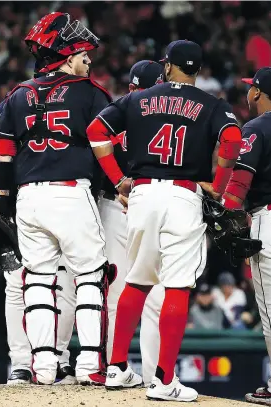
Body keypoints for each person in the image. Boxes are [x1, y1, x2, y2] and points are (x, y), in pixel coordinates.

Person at [87, 40, 242, 400]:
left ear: (168, 67)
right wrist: (218, 186)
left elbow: (97, 131)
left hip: (141, 194)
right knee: (176, 287)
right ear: (197, 70)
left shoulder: (138, 98)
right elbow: (233, 141)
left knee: (137, 280)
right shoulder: (211, 103)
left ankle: (116, 368)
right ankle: (163, 380)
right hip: (183, 195)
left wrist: (117, 178)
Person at [0, 12, 116, 386]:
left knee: (39, 283)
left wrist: (2, 211)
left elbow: (2, 158)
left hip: (28, 199)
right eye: (82, 55)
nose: (88, 60)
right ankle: (89, 365)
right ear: (65, 56)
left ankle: (43, 368)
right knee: (91, 279)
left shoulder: (17, 96)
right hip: (71, 194)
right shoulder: (91, 93)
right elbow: (109, 147)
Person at [0, 49, 77, 387]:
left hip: (57, 196)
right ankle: (24, 361)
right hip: (21, 198)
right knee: (21, 281)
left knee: (61, 280)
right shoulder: (21, 96)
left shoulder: (78, 94)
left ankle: (56, 359)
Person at [222, 67, 271, 406]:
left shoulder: (255, 127)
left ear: (258, 93)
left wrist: (225, 212)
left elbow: (240, 180)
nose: (248, 93)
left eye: (251, 89)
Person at [97, 60, 165, 387]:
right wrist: (120, 183)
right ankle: (127, 370)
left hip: (128, 206)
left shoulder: (118, 113)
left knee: (133, 295)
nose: (135, 94)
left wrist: (118, 182)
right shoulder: (159, 116)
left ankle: (123, 368)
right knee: (143, 296)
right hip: (129, 206)